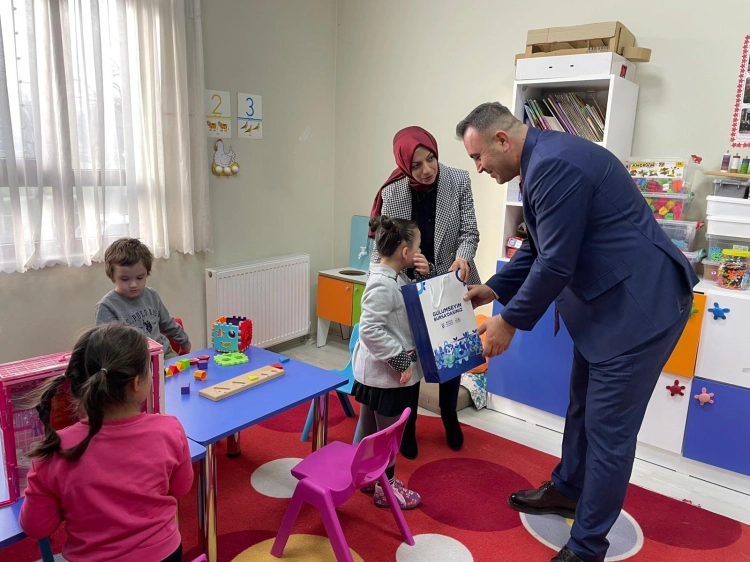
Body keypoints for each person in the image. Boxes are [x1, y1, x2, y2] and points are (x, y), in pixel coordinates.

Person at [455, 102, 698, 562]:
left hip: (640, 310)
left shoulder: (553, 165)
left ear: (502, 140)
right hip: (605, 308)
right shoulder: (540, 161)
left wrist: (508, 321)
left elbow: (555, 263)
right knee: (582, 407)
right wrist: (495, 288)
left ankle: (586, 548)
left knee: (609, 435)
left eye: (478, 156)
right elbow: (539, 245)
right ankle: (568, 490)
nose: (479, 167)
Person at [20, 324, 193, 562]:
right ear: (136, 383)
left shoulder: (54, 450)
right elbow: (181, 488)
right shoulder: (169, 429)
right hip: (166, 555)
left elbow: (36, 526)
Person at [369, 126, 480, 459]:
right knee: (412, 353)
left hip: (451, 278)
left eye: (430, 159)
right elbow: (382, 248)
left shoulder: (458, 180)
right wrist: (390, 274)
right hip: (409, 283)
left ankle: (449, 417)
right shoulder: (393, 193)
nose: (426, 169)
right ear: (405, 165)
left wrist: (463, 257)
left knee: (452, 353)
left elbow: (469, 232)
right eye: (416, 165)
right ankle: (409, 424)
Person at [353, 215, 423, 510]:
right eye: (418, 247)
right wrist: (400, 360)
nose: (420, 252)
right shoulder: (383, 283)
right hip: (388, 377)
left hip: (382, 376)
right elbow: (370, 329)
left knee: (372, 431)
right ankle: (386, 486)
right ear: (405, 252)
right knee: (388, 436)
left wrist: (424, 273)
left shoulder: (393, 276)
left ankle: (368, 476)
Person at [95, 237, 190, 360]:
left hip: (164, 354)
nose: (133, 284)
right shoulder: (106, 306)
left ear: (147, 273)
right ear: (112, 276)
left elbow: (168, 323)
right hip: (133, 362)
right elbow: (107, 346)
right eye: (125, 279)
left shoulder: (151, 295)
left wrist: (184, 342)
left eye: (140, 277)